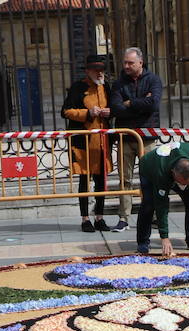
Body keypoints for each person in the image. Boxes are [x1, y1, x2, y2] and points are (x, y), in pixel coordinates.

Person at [108, 47, 162, 233]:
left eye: (130, 63)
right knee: (125, 179)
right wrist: (141, 103)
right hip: (125, 136)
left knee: (151, 178)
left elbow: (153, 103)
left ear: (141, 62)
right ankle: (124, 218)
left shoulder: (153, 80)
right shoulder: (118, 83)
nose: (126, 66)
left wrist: (130, 103)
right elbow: (115, 108)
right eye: (124, 62)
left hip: (146, 138)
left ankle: (154, 215)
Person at [62, 54, 113, 233]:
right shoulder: (78, 87)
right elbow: (66, 111)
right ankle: (85, 218)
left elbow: (114, 106)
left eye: (101, 70)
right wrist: (88, 113)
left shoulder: (106, 87)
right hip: (83, 142)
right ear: (88, 71)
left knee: (101, 181)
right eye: (96, 70)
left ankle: (99, 217)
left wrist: (110, 111)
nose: (99, 73)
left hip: (102, 142)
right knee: (85, 180)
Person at [136, 140, 189, 255]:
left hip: (179, 173)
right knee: (149, 205)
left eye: (186, 182)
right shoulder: (161, 173)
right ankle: (143, 242)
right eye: (181, 182)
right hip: (149, 170)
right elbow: (161, 206)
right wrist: (165, 238)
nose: (183, 186)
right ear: (173, 173)